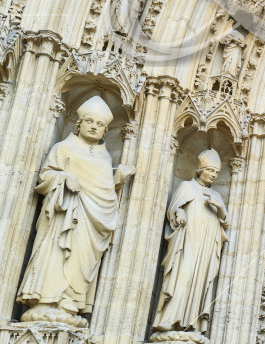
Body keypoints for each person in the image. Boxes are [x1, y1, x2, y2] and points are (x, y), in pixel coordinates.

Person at [18, 96, 134, 324]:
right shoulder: (64, 148)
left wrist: (118, 180)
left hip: (92, 222)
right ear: (79, 124)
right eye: (89, 121)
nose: (94, 126)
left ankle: (70, 301)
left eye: (100, 124)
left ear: (105, 130)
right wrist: (64, 177)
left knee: (82, 260)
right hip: (65, 214)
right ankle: (48, 300)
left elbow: (102, 190)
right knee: (58, 254)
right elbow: (45, 175)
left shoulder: (105, 157)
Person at [152, 149, 229, 335]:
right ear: (200, 170)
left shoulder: (216, 196)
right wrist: (179, 211)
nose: (213, 175)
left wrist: (219, 207)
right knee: (182, 275)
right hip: (187, 242)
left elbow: (226, 222)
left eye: (216, 172)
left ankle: (192, 324)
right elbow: (173, 209)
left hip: (207, 245)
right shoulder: (187, 187)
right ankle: (168, 318)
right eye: (210, 170)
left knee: (199, 281)